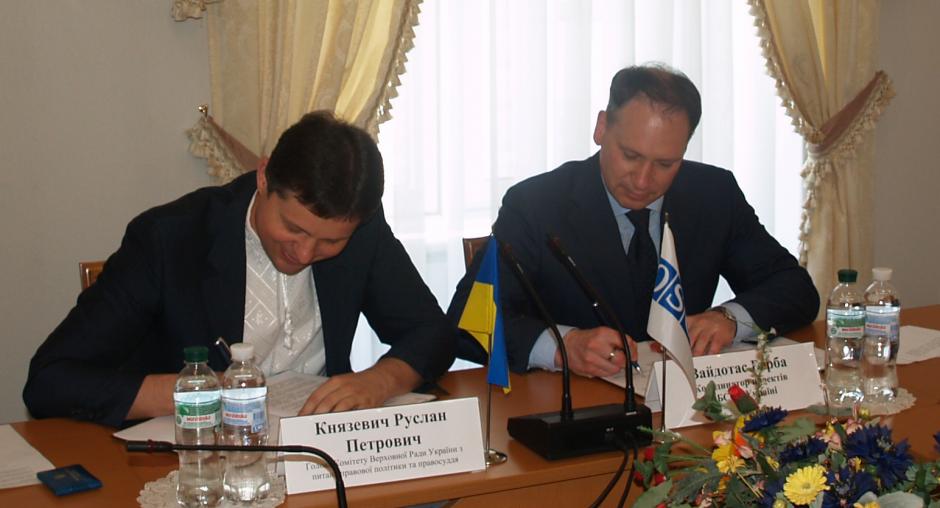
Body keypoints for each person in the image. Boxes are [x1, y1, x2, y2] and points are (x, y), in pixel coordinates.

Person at [24, 111, 455, 427]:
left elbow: (431, 332)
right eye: (293, 228)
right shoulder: (170, 238)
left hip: (317, 452)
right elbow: (51, 380)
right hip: (194, 454)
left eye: (330, 242)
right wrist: (195, 391)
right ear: (264, 177)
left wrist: (380, 380)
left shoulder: (362, 232)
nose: (305, 252)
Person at [448, 64, 819, 379]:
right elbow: (468, 321)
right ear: (601, 128)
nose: (643, 181)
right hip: (576, 406)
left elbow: (794, 288)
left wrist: (729, 319)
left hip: (685, 404)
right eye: (630, 155)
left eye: (665, 164)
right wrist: (563, 346)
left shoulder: (712, 194)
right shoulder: (537, 204)